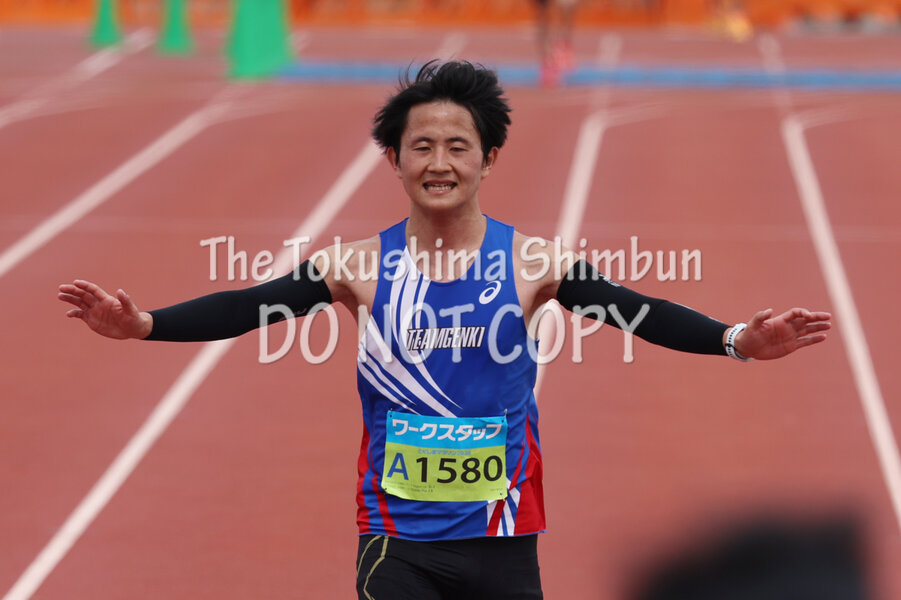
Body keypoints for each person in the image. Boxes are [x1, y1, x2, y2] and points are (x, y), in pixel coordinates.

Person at [58, 61, 831, 599]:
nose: (438, 161)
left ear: (487, 159)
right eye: (420, 146)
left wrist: (734, 339)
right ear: (393, 160)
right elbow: (249, 305)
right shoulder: (357, 266)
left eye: (457, 146)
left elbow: (637, 310)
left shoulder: (532, 263)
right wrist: (145, 325)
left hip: (504, 538)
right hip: (397, 541)